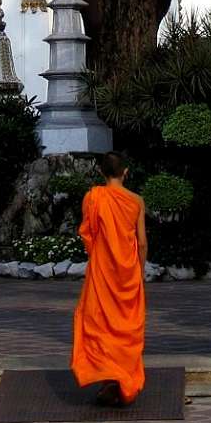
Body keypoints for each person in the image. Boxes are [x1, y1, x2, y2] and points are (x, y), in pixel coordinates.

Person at [70, 151, 147, 405]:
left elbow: (88, 234)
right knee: (126, 328)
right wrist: (140, 269)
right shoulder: (135, 201)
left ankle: (109, 381)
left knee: (100, 325)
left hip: (102, 272)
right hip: (128, 272)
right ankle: (120, 380)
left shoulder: (93, 198)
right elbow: (142, 242)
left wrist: (101, 253)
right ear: (125, 172)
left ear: (101, 172)